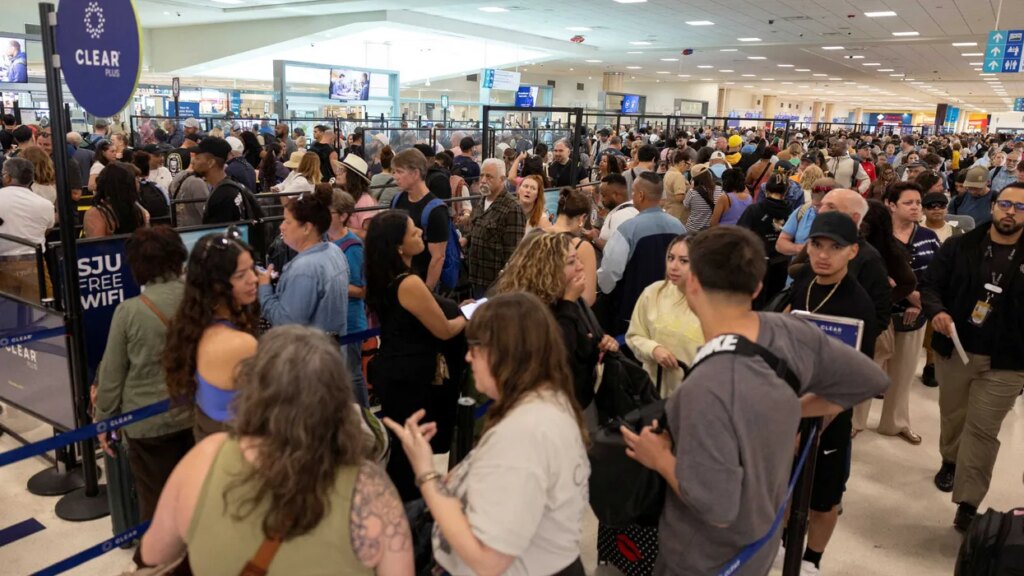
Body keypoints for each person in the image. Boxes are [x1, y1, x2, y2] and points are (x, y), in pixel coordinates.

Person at [621, 226, 888, 576]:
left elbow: (717, 506)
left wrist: (659, 458)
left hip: (704, 559)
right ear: (758, 287)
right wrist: (793, 408)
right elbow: (870, 378)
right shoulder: (792, 332)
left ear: (692, 284)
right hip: (761, 540)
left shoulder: (704, 389)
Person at [143, 326, 413, 574]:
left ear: (254, 389)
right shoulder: (370, 488)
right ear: (339, 400)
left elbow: (154, 551)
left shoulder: (206, 458)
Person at [384, 293, 588, 576]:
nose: (468, 357)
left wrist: (425, 473)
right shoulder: (545, 403)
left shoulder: (525, 434)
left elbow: (487, 560)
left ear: (505, 353)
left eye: (475, 348)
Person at [921, 182, 1024, 532]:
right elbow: (931, 286)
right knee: (952, 417)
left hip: (1006, 361)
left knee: (982, 431)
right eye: (1006, 204)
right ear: (994, 206)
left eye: (1020, 207)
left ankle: (968, 502)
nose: (1011, 211)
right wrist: (936, 311)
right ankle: (950, 459)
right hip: (956, 350)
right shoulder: (959, 246)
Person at [787, 211, 879, 575]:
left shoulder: (859, 306)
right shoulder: (803, 283)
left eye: (834, 247)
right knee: (780, 490)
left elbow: (856, 381)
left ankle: (812, 560)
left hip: (829, 419)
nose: (823, 254)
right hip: (789, 408)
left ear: (853, 251)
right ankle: (782, 547)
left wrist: (813, 422)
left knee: (823, 500)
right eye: (816, 245)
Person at [95, 227, 194, 524]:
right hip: (195, 412)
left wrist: (104, 421)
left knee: (157, 503)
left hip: (147, 424)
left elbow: (112, 376)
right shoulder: (199, 300)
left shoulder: (129, 312)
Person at [364, 210, 466, 501]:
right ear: (399, 246)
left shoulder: (387, 276)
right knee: (409, 450)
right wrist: (469, 316)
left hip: (396, 369)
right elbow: (445, 330)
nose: (421, 233)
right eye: (413, 232)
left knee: (402, 443)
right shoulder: (408, 284)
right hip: (411, 376)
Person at [493, 232, 617, 420]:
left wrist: (601, 343)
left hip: (581, 401)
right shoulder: (529, 310)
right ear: (547, 268)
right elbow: (555, 357)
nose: (580, 266)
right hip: (550, 411)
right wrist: (568, 302)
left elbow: (584, 342)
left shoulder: (573, 299)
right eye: (571, 262)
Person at [164, 230, 259, 441]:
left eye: (252, 269)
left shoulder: (193, 327)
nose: (254, 279)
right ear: (216, 285)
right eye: (241, 275)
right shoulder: (238, 344)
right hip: (238, 454)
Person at [598, 172, 686, 336]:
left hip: (633, 313)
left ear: (640, 195)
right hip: (670, 310)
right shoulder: (679, 227)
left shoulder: (628, 230)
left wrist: (607, 294)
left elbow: (609, 272)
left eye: (633, 193)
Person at [258, 186, 348, 336]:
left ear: (307, 228)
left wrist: (264, 289)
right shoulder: (334, 251)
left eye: (287, 222)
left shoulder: (304, 269)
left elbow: (287, 323)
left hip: (309, 355)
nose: (281, 227)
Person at [625, 235, 703, 394]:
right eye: (670, 258)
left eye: (683, 261)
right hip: (654, 392)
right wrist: (653, 349)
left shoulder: (712, 305)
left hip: (693, 398)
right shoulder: (653, 293)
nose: (673, 266)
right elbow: (633, 336)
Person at [328, 188, 370, 407]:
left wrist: (329, 284)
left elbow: (361, 289)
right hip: (336, 321)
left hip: (351, 322)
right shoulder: (327, 241)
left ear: (342, 216)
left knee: (352, 376)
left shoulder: (352, 247)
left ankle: (364, 419)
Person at [464, 158, 525, 297]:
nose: (483, 180)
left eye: (489, 176)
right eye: (481, 175)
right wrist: (467, 239)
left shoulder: (512, 208)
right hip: (476, 277)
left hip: (495, 285)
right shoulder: (482, 200)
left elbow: (513, 253)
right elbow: (479, 227)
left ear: (502, 179)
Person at [390, 149, 449, 291]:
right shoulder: (397, 200)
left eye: (399, 172)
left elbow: (438, 257)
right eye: (394, 172)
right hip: (398, 278)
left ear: (416, 173)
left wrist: (427, 291)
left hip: (420, 281)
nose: (395, 177)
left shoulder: (436, 210)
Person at [737, 172, 796, 308]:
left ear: (766, 189)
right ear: (786, 191)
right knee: (776, 303)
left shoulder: (754, 209)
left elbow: (740, 235)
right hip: (783, 265)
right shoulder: (793, 212)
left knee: (755, 304)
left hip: (757, 264)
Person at [0, 158, 54, 301]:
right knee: (40, 314)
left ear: (7, 176)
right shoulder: (45, 204)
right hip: (35, 264)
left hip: (2, 264)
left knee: (6, 316)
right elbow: (47, 229)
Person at [551, 187, 598, 306]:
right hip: (567, 315)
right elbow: (588, 298)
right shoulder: (582, 247)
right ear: (582, 219)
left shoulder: (536, 235)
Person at [194, 137, 253, 225]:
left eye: (197, 158)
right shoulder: (230, 187)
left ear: (211, 163)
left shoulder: (222, 196)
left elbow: (219, 235)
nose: (193, 162)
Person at [84, 162, 148, 238]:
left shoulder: (138, 211)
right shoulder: (97, 214)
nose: (138, 183)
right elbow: (97, 247)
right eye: (135, 179)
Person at [334, 154, 377, 236]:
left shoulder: (364, 200)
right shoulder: (342, 196)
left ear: (352, 176)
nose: (337, 173)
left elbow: (370, 234)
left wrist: (343, 230)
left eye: (342, 170)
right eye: (338, 169)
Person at [596, 173, 638, 250]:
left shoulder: (622, 215)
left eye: (604, 195)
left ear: (615, 195)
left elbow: (615, 250)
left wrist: (594, 239)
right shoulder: (629, 208)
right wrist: (598, 234)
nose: (602, 199)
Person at [682, 164, 723, 233]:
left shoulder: (692, 192)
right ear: (709, 175)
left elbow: (686, 205)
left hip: (694, 230)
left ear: (694, 179)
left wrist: (691, 188)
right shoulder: (720, 190)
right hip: (712, 230)